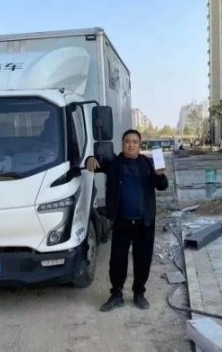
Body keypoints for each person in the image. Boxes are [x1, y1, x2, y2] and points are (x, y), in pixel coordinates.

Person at [85, 129, 168, 311]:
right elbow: (94, 164)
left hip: (144, 223)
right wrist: (89, 159)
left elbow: (162, 186)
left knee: (143, 259)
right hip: (122, 222)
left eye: (135, 142)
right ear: (123, 144)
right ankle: (116, 295)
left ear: (140, 145)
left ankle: (139, 293)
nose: (131, 145)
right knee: (117, 260)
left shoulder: (148, 163)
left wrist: (160, 175)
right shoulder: (114, 163)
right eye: (127, 141)